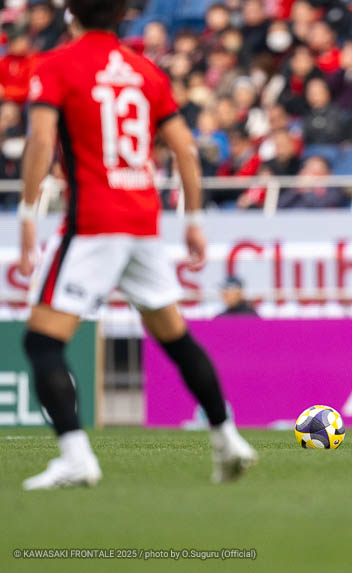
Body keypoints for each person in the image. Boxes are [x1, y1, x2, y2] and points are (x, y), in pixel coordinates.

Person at [17, 0, 256, 490]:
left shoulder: (56, 65)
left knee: (42, 342)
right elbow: (185, 148)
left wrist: (26, 214)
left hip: (94, 221)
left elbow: (41, 143)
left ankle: (76, 456)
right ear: (121, 16)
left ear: (71, 15)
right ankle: (228, 438)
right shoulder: (146, 70)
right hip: (143, 220)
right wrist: (193, 220)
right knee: (176, 337)